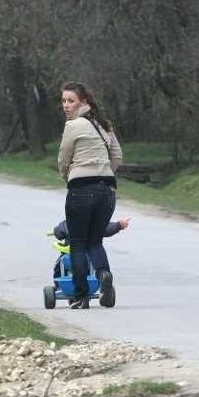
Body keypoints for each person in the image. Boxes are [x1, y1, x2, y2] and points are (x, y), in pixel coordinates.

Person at [58, 82, 123, 309]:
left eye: (71, 100)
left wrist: (69, 177)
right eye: (64, 100)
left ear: (83, 101)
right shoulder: (105, 124)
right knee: (95, 240)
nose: (66, 105)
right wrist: (104, 174)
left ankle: (80, 295)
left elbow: (64, 158)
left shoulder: (73, 126)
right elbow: (117, 156)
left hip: (81, 189)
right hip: (107, 190)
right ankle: (104, 273)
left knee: (77, 242)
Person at [51, 217, 130, 282]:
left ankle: (58, 285)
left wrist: (118, 225)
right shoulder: (95, 224)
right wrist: (118, 225)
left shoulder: (67, 223)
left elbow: (58, 232)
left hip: (73, 254)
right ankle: (101, 283)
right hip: (86, 255)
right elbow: (107, 228)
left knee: (60, 266)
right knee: (96, 265)